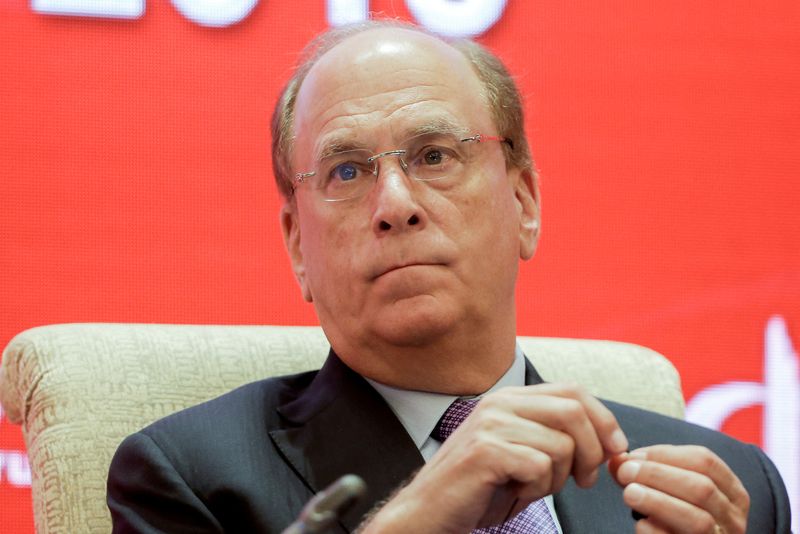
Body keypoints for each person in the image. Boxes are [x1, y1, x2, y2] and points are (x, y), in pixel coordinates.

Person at [107, 20, 790, 533]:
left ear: (523, 203)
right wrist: (421, 513)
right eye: (347, 171)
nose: (395, 205)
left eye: (435, 155)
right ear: (297, 248)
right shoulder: (188, 478)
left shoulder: (726, 487)